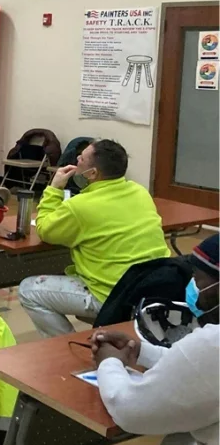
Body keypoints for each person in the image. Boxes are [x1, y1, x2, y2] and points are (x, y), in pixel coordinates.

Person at [71, 234, 219, 445]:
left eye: (200, 282)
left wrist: (109, 363)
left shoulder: (213, 344)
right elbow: (200, 374)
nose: (193, 289)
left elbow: (128, 410)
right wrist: (141, 352)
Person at [18, 139, 170, 338]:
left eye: (80, 159)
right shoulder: (140, 192)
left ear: (92, 174)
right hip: (154, 288)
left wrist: (54, 188)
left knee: (29, 290)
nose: (76, 160)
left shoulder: (81, 206)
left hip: (112, 295)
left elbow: (45, 229)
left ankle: (63, 348)